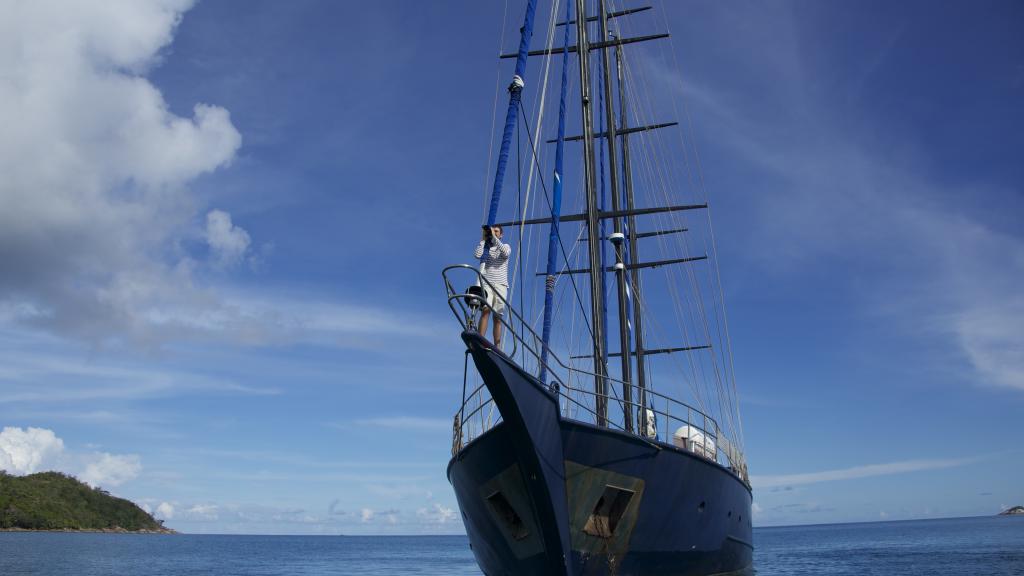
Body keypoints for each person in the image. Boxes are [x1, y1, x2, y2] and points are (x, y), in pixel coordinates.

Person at [474, 225, 511, 348]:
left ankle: (497, 347)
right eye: (492, 231)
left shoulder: (505, 246)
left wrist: (495, 239)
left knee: (497, 317)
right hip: (487, 283)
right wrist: (483, 240)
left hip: (501, 285)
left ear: (501, 235)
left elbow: (505, 254)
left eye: (496, 231)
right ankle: (480, 339)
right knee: (485, 310)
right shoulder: (486, 248)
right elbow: (477, 255)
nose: (493, 233)